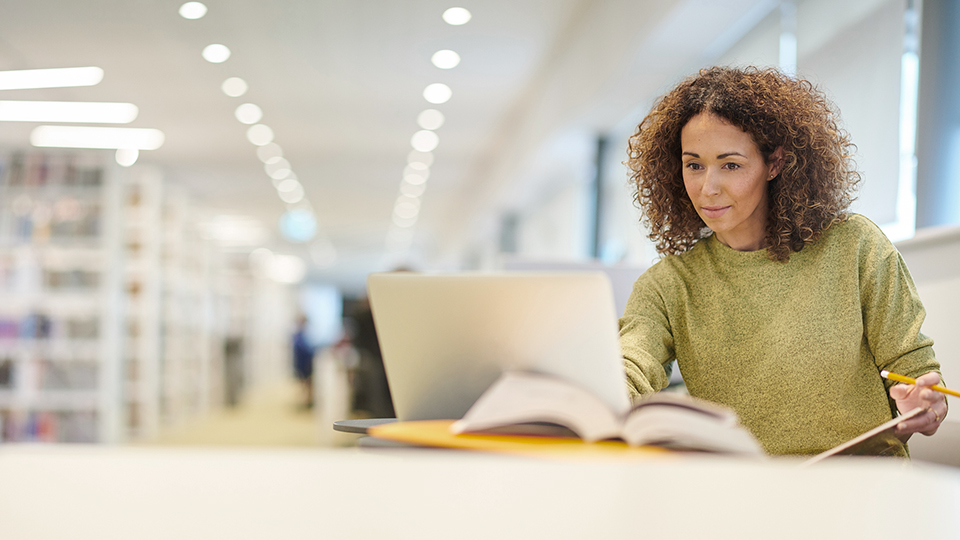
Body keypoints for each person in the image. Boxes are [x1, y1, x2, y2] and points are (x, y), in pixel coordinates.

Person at [619, 66, 947, 456]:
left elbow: (914, 369)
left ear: (774, 164)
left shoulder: (855, 246)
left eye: (731, 165)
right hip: (747, 496)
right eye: (694, 165)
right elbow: (631, 367)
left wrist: (924, 401)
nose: (708, 188)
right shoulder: (667, 285)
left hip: (864, 490)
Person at [292, 314, 315, 409]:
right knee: (306, 383)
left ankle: (307, 401)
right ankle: (306, 402)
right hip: (303, 362)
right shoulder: (299, 335)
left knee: (306, 384)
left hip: (303, 362)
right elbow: (304, 349)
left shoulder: (299, 334)